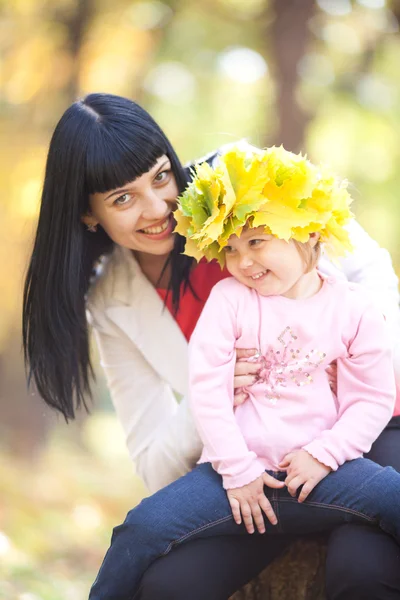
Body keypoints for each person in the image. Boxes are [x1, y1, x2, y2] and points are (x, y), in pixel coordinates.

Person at [22, 93, 400, 600]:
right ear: (89, 216)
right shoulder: (113, 299)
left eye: (160, 177)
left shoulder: (243, 185)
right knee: (168, 586)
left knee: (363, 569)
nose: (159, 209)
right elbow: (156, 461)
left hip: (367, 429)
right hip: (247, 457)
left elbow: (369, 269)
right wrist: (214, 391)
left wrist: (342, 354)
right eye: (121, 199)